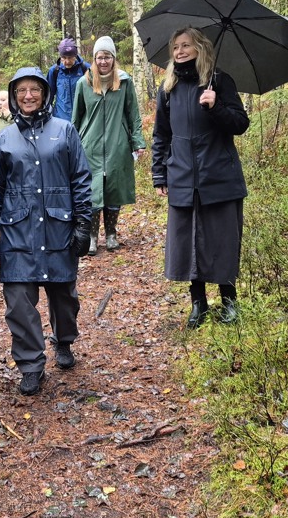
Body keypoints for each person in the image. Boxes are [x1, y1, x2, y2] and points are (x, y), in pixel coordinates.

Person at [0, 67, 93, 396]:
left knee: (64, 297)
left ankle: (63, 341)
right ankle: (31, 364)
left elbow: (80, 178)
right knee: (18, 301)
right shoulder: (5, 138)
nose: (28, 96)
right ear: (13, 96)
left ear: (45, 94)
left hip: (58, 228)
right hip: (18, 230)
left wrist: (83, 222)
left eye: (35, 90)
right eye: (21, 91)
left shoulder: (65, 130)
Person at [151, 27, 250, 328]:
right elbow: (161, 135)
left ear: (200, 48)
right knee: (189, 241)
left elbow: (240, 123)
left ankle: (229, 302)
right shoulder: (168, 89)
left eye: (186, 46)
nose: (179, 51)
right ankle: (199, 304)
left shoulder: (220, 82)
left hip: (218, 174)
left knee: (221, 239)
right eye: (176, 46)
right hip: (182, 174)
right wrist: (159, 174)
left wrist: (216, 105)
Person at [71, 36, 146, 255]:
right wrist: (71, 144)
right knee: (93, 192)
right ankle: (93, 237)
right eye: (99, 57)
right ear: (94, 59)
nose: (103, 61)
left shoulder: (124, 82)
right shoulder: (83, 83)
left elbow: (133, 114)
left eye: (107, 57)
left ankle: (111, 234)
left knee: (114, 189)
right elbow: (76, 117)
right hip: (90, 146)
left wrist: (137, 142)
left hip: (117, 144)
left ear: (113, 59)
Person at [47, 37, 89, 122]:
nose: (67, 61)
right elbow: (48, 97)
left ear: (75, 55)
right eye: (64, 57)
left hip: (82, 119)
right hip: (60, 120)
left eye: (70, 57)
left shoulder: (86, 69)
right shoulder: (54, 71)